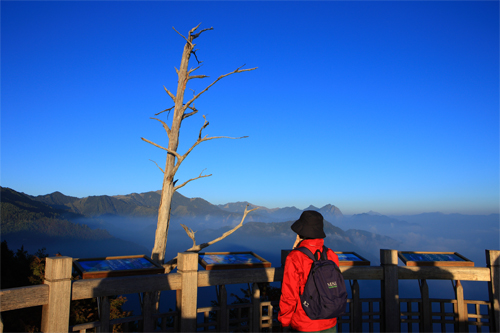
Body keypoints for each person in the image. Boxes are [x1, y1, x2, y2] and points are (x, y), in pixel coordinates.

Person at [278, 210, 340, 333]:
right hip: (330, 321)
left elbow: (289, 295)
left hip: (304, 324)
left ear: (300, 233)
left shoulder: (295, 257)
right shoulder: (331, 255)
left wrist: (285, 323)